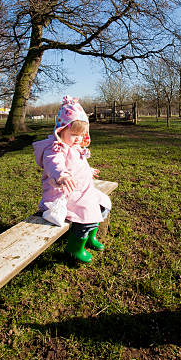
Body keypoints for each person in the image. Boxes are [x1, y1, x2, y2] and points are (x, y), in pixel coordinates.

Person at [33, 96, 111, 263]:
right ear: (61, 130)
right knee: (87, 210)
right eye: (74, 134)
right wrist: (62, 175)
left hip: (81, 190)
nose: (78, 139)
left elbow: (77, 165)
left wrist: (88, 170)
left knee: (103, 203)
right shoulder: (56, 149)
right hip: (64, 194)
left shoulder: (74, 147)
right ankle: (75, 247)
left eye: (81, 135)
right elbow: (55, 164)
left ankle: (90, 235)